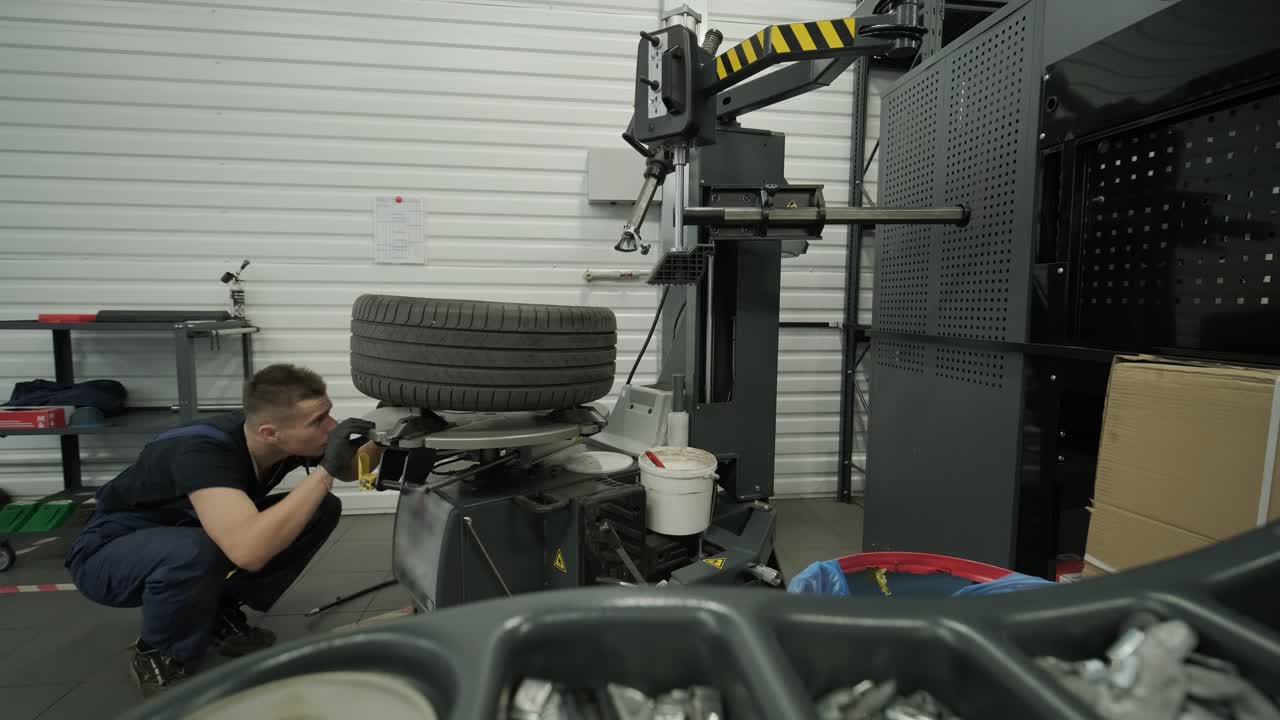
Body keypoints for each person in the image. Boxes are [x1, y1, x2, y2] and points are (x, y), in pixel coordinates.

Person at [65, 364, 381, 697]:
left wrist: (390, 434)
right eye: (318, 422)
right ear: (270, 433)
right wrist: (324, 472)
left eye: (328, 414)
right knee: (200, 549)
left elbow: (348, 469)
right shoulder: (202, 453)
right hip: (108, 552)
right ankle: (157, 651)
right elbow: (249, 552)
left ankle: (218, 613)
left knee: (319, 507)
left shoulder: (271, 439)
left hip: (186, 533)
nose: (332, 428)